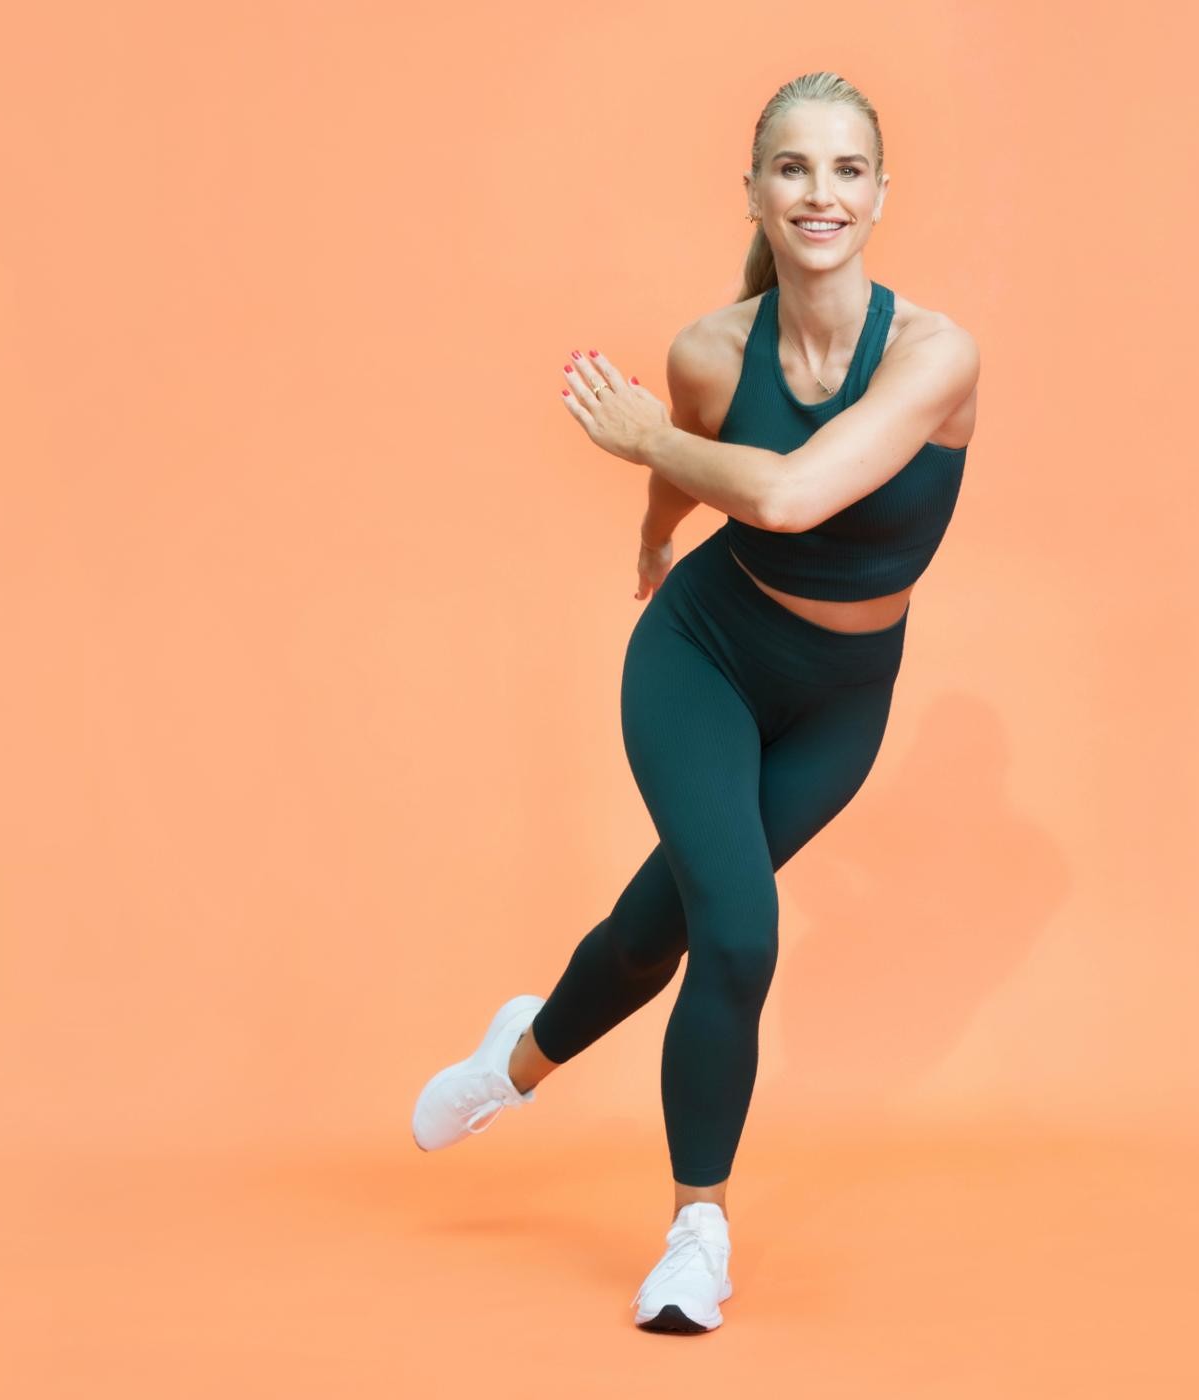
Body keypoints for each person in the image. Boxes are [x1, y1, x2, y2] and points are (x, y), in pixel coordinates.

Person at [411, 70, 980, 1335]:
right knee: (738, 929)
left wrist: (644, 445)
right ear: (756, 190)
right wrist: (653, 536)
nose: (820, 193)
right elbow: (698, 470)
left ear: (881, 194)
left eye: (846, 169)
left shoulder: (938, 355)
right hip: (703, 654)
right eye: (794, 167)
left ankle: (514, 1058)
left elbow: (785, 494)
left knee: (653, 928)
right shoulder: (710, 351)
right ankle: (696, 1234)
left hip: (842, 702)